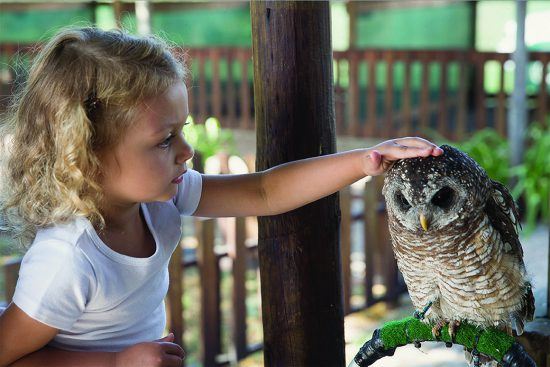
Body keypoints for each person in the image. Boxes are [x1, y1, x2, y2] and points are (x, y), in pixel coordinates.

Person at [0, 27, 443, 367]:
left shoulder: (158, 200)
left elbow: (264, 190)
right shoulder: (68, 258)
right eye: (164, 140)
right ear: (89, 155)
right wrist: (114, 362)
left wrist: (365, 160)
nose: (186, 151)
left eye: (183, 130)